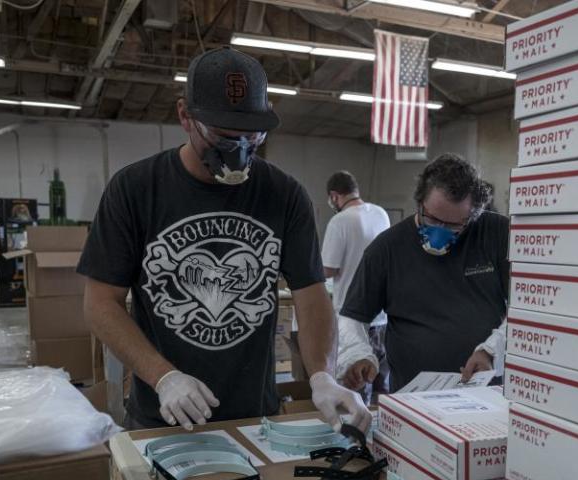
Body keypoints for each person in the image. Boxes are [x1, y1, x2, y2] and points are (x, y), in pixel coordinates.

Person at [77, 47, 370, 433]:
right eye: (222, 136)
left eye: (252, 136)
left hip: (256, 416)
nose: (239, 151)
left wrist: (321, 376)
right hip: (162, 416)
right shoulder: (135, 190)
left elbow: (312, 295)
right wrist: (163, 377)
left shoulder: (284, 195)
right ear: (185, 116)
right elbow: (100, 303)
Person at [337, 154, 508, 392]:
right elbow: (352, 316)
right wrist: (358, 354)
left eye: (454, 225)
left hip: (486, 390)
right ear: (419, 201)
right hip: (413, 395)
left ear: (473, 215)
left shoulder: (497, 234)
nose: (441, 231)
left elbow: (531, 308)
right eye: (433, 219)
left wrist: (491, 349)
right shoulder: (386, 249)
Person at [321, 171, 391, 396]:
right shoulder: (380, 214)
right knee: (383, 384)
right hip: (382, 317)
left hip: (352, 318)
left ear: (334, 196)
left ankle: (357, 429)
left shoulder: (339, 221)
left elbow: (327, 269)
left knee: (356, 384)